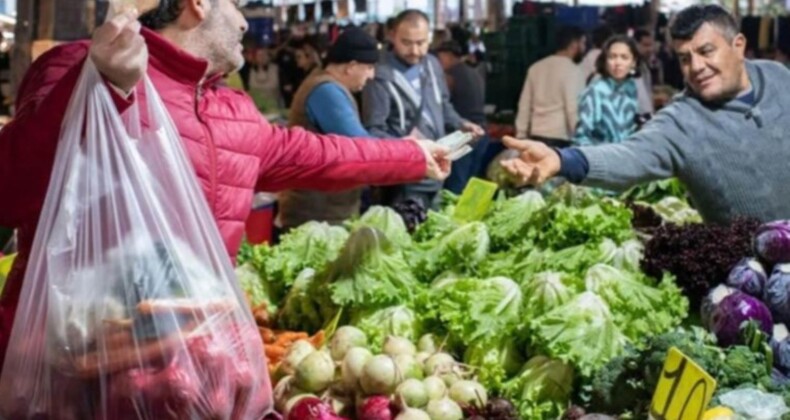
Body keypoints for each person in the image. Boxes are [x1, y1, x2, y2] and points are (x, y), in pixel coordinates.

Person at [0, 0, 452, 368]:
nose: (243, 21)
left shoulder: (231, 109)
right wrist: (102, 89)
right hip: (63, 359)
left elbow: (320, 154)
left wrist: (413, 156)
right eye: (236, 5)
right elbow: (11, 190)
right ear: (198, 5)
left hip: (180, 364)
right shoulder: (80, 68)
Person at [501, 4, 790, 225]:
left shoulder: (777, 76)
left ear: (738, 46)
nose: (696, 67)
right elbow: (629, 156)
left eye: (706, 51)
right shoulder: (681, 121)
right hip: (754, 275)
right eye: (685, 58)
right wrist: (562, 159)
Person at [361, 9, 484, 208]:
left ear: (430, 38)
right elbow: (374, 130)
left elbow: (443, 105)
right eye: (407, 43)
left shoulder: (432, 65)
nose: (415, 51)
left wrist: (461, 124)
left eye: (421, 43)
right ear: (393, 36)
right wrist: (406, 148)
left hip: (437, 171)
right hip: (403, 177)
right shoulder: (380, 75)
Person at [278, 28, 381, 231]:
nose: (372, 75)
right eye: (368, 67)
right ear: (351, 66)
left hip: (327, 212)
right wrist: (406, 150)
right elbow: (360, 146)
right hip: (318, 216)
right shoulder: (327, 91)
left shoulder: (327, 85)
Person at [514, 25, 586, 147]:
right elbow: (572, 108)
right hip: (560, 139)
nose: (584, 48)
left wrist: (520, 135)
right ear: (574, 44)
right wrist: (580, 139)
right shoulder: (574, 71)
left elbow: (524, 105)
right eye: (583, 43)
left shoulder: (535, 68)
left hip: (535, 136)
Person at [435, 40, 489, 194]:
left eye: (440, 58)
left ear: (449, 56)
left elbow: (442, 104)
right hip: (480, 130)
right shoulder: (473, 71)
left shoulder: (450, 75)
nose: (439, 63)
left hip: (463, 134)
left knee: (455, 186)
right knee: (470, 184)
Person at [575, 35, 642, 145]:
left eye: (624, 57)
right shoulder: (595, 92)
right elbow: (581, 136)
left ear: (633, 62)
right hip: (601, 157)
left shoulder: (631, 88)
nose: (617, 63)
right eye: (612, 57)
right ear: (605, 61)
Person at [248, 47, 283, 113]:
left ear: (268, 57)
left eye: (264, 55)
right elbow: (251, 88)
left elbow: (273, 86)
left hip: (273, 107)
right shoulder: (252, 70)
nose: (262, 57)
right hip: (257, 108)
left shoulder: (275, 69)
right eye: (259, 55)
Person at [633, 28, 659, 114]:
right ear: (635, 44)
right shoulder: (631, 68)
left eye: (651, 45)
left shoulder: (644, 66)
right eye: (645, 45)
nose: (650, 49)